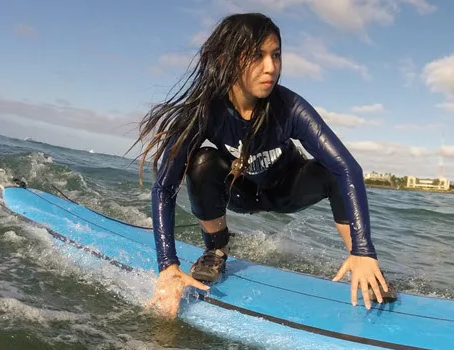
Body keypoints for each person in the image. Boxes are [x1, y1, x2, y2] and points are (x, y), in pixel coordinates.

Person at [130, 13, 390, 318]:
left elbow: (349, 169)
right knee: (202, 162)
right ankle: (216, 250)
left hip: (286, 189)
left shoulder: (290, 107)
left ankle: (360, 262)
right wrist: (168, 266)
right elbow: (164, 188)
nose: (271, 67)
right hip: (240, 192)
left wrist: (364, 248)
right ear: (228, 59)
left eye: (276, 55)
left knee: (331, 171)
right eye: (257, 56)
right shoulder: (206, 110)